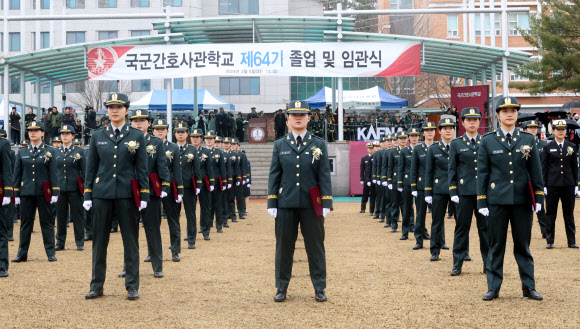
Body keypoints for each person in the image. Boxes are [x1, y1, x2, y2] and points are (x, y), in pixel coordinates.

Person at [83, 93, 149, 301]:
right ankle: (96, 285)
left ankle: (132, 285)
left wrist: (144, 195)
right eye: (111, 107)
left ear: (126, 111)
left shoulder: (136, 136)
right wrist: (87, 193)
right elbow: (91, 167)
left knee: (130, 242)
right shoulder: (97, 135)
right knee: (99, 242)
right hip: (102, 195)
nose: (114, 110)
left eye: (119, 107)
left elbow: (142, 169)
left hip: (127, 196)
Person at [477, 96, 544, 301]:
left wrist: (539, 197)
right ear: (497, 115)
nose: (509, 114)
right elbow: (482, 172)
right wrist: (482, 201)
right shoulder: (488, 140)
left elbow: (535, 170)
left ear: (517, 115)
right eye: (505, 111)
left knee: (522, 245)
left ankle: (528, 287)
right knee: (496, 246)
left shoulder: (527, 139)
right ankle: (493, 287)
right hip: (497, 201)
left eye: (513, 111)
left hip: (522, 200)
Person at [267, 100, 332, 303]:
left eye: (302, 115)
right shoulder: (280, 145)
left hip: (312, 204)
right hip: (286, 203)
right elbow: (274, 176)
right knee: (284, 247)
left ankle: (319, 287)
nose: (298, 118)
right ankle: (281, 287)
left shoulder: (319, 144)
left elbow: (324, 175)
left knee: (315, 247)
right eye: (293, 115)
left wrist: (327, 202)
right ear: (287, 120)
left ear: (309, 119)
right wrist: (272, 202)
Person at [128, 110, 170, 278]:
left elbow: (162, 167)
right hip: (129, 190)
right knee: (129, 231)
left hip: (151, 191)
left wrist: (164, 187)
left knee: (152, 229)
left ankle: (157, 265)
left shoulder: (156, 143)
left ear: (149, 123)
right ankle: (128, 265)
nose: (139, 123)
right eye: (135, 120)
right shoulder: (125, 140)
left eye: (142, 120)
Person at [448, 107, 489, 276]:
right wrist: (453, 192)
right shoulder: (456, 144)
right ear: (463, 122)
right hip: (464, 193)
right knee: (461, 228)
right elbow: (452, 170)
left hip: (482, 194)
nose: (472, 123)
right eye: (468, 120)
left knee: (485, 230)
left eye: (475, 119)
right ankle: (457, 263)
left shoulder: (486, 141)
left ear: (479, 122)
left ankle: (488, 263)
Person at [12, 121, 60, 263]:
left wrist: (55, 192)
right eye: (30, 130)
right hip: (26, 192)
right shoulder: (22, 152)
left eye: (36, 130)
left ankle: (50, 252)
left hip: (44, 191)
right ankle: (22, 253)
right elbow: (17, 174)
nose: (32, 133)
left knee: (47, 222)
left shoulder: (49, 151)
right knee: (25, 224)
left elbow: (53, 173)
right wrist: (17, 193)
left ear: (43, 133)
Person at [542, 119, 579, 249]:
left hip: (568, 184)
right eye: (558, 129)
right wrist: (544, 185)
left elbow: (575, 167)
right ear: (553, 131)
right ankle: (550, 240)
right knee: (551, 213)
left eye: (563, 129)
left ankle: (571, 241)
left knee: (569, 214)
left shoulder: (571, 146)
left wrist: (576, 185)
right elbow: (544, 167)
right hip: (552, 185)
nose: (561, 131)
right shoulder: (547, 147)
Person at [152, 119, 183, 262]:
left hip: (169, 187)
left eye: (163, 129)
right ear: (153, 131)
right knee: (153, 222)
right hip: (152, 186)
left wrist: (180, 190)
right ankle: (152, 252)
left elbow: (177, 170)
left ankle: (175, 250)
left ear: (167, 131)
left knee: (173, 219)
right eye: (157, 129)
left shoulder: (173, 148)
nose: (160, 131)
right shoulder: (148, 145)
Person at [425, 118, 456, 262]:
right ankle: (435, 250)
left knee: (462, 222)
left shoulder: (459, 145)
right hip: (439, 189)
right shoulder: (434, 148)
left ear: (454, 130)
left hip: (457, 190)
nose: (448, 130)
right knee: (437, 221)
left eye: (451, 128)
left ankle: (463, 251)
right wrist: (428, 192)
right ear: (440, 131)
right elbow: (429, 172)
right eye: (445, 128)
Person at [54, 125, 86, 252]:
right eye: (62, 134)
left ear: (73, 136)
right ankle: (60, 242)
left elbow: (84, 171)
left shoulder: (79, 151)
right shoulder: (55, 151)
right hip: (60, 188)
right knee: (61, 217)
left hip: (75, 188)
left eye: (67, 134)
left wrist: (85, 187)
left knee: (77, 216)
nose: (64, 136)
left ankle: (80, 241)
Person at [174, 124, 202, 249]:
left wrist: (198, 184)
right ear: (174, 134)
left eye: (183, 132)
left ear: (187, 134)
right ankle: (175, 241)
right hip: (174, 187)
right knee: (174, 216)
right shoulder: (170, 148)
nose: (180, 134)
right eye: (178, 132)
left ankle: (191, 239)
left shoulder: (192, 150)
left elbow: (197, 169)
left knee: (190, 214)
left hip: (188, 187)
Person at [410, 122, 436, 250]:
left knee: (437, 216)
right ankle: (419, 239)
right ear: (423, 133)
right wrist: (413, 187)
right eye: (427, 130)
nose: (430, 132)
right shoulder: (418, 149)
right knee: (420, 214)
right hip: (421, 186)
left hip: (436, 186)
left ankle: (439, 241)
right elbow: (413, 170)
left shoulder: (438, 147)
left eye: (432, 130)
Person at [522, 120, 549, 238]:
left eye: (535, 127)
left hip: (538, 179)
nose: (533, 129)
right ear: (525, 129)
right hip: (524, 179)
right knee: (523, 206)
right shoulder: (520, 144)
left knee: (540, 206)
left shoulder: (543, 145)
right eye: (530, 127)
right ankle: (524, 230)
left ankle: (545, 230)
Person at [190, 128, 215, 241]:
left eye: (197, 137)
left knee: (205, 207)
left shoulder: (205, 152)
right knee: (190, 210)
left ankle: (205, 230)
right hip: (190, 183)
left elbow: (209, 168)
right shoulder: (187, 150)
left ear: (201, 139)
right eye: (193, 137)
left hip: (204, 184)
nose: (195, 139)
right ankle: (191, 232)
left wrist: (212, 182)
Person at [397, 127, 420, 240]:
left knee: (420, 209)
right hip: (407, 182)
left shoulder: (421, 149)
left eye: (416, 136)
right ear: (408, 138)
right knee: (406, 207)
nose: (414, 138)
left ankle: (418, 228)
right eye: (412, 136)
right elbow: (400, 168)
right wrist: (400, 183)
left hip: (419, 182)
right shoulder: (404, 151)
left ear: (418, 137)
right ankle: (405, 231)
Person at [204, 131, 227, 233]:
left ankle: (219, 225)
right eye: (207, 139)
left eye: (211, 139)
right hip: (205, 182)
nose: (209, 141)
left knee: (218, 204)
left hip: (217, 182)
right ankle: (207, 224)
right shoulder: (202, 152)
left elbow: (222, 168)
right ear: (204, 140)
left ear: (214, 140)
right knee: (207, 205)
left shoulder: (218, 153)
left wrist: (225, 182)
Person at [387, 131, 407, 233]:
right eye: (400, 138)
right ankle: (394, 225)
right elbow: (390, 167)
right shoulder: (393, 152)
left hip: (406, 181)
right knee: (395, 204)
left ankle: (409, 225)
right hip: (395, 181)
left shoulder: (409, 151)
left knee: (407, 205)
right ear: (397, 140)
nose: (403, 140)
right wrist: (389, 181)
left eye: (404, 138)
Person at [0, 128, 13, 278]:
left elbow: (7, 169)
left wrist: (8, 193)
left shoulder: (3, 144)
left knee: (1, 231)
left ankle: (2, 264)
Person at [232, 139, 248, 219]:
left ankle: (241, 212)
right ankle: (231, 213)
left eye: (234, 144)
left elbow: (244, 166)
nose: (233, 146)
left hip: (239, 177)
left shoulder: (241, 155)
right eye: (231, 144)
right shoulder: (228, 154)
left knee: (240, 196)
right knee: (230, 196)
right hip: (230, 177)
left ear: (237, 145)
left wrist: (244, 177)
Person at [360, 143, 375, 214]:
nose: (371, 150)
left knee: (373, 195)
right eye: (369, 148)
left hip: (373, 179)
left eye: (372, 148)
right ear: (367, 149)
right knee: (365, 194)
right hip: (366, 179)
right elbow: (362, 169)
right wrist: (361, 179)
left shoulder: (376, 157)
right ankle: (363, 208)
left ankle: (371, 210)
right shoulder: (364, 158)